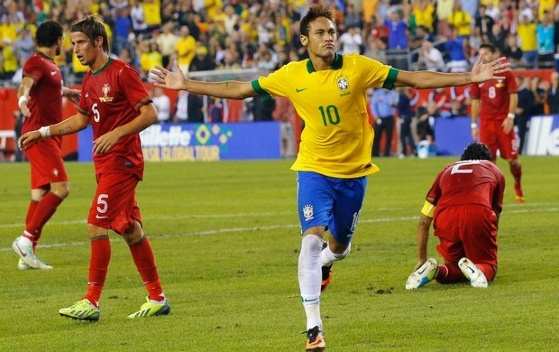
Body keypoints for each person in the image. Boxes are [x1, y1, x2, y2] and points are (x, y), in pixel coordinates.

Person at [149, 5, 508, 350]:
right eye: (320, 32)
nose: (329, 38)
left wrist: (468, 77)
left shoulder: (358, 68)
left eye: (332, 32)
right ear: (304, 40)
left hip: (353, 176)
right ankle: (313, 327)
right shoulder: (291, 75)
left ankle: (326, 262)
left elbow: (415, 79)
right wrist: (187, 85)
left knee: (339, 248)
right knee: (309, 239)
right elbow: (239, 89)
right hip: (313, 170)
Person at [19, 16, 169, 321]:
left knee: (95, 224)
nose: (74, 49)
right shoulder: (89, 80)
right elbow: (82, 120)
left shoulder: (122, 72)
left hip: (122, 162)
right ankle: (156, 297)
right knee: (129, 229)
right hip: (104, 164)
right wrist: (43, 131)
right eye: (72, 43)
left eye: (80, 43)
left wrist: (117, 133)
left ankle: (91, 300)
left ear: (98, 41)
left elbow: (149, 113)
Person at [11, 20, 80, 271]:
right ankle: (26, 240)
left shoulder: (50, 66)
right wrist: (21, 99)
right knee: (61, 188)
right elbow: (27, 84)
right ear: (58, 40)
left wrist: (66, 91)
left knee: (39, 194)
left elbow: (46, 88)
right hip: (38, 137)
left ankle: (27, 255)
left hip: (48, 136)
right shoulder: (36, 62)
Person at [405, 143, 505, 289]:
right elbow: (495, 215)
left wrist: (421, 258)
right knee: (488, 265)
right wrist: (488, 245)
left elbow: (424, 221)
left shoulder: (446, 170)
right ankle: (479, 270)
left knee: (453, 267)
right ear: (488, 159)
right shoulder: (494, 169)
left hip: (445, 217)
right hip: (477, 213)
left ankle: (435, 270)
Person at [470, 43, 525, 202]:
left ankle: (518, 184)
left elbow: (513, 96)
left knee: (513, 161)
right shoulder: (477, 75)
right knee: (489, 162)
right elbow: (475, 101)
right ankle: (493, 195)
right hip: (486, 124)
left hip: (503, 123)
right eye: (480, 54)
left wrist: (510, 117)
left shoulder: (506, 73)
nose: (483, 58)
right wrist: (474, 125)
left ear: (495, 54)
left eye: (486, 54)